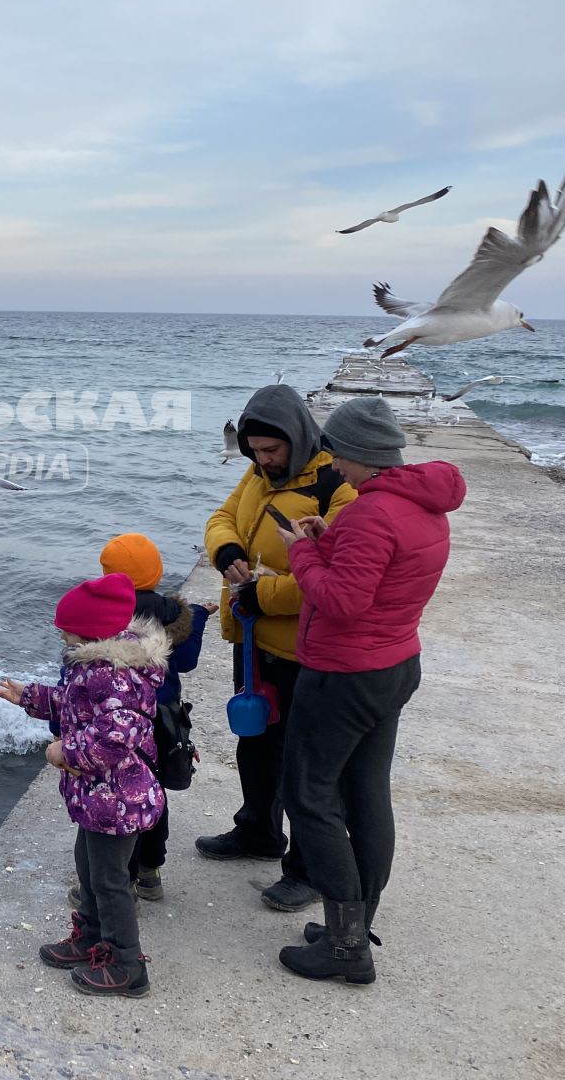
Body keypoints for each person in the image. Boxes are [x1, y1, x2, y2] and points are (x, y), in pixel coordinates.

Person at [273, 396, 465, 982]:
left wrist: (302, 550)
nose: (332, 462)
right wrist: (330, 538)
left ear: (359, 454)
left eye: (338, 452)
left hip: (344, 675)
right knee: (366, 793)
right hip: (394, 665)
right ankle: (349, 926)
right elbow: (381, 575)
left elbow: (342, 601)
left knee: (308, 795)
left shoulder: (371, 513)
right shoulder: (419, 505)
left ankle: (345, 946)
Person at [199, 384, 358, 912]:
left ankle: (308, 870)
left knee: (304, 763)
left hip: (304, 649)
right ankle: (257, 833)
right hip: (252, 641)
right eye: (255, 452)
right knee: (256, 743)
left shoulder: (337, 484)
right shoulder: (257, 472)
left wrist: (260, 594)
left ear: (298, 436)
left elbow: (334, 574)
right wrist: (226, 553)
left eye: (273, 451)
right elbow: (222, 517)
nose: (264, 461)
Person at [0, 573, 169, 998]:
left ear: (90, 631)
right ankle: (90, 937)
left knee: (111, 882)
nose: (60, 632)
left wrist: (63, 753)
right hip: (98, 798)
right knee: (89, 872)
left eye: (66, 627)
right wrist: (32, 697)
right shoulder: (94, 668)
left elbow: (114, 737)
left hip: (118, 799)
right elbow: (76, 705)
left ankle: (128, 964)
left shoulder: (117, 676)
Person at [97, 533, 213, 901]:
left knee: (118, 797)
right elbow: (187, 661)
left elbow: (81, 677)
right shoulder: (174, 614)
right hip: (163, 720)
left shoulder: (102, 615)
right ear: (158, 572)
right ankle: (150, 874)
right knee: (153, 794)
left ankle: (122, 879)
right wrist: (198, 618)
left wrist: (60, 727)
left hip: (120, 722)